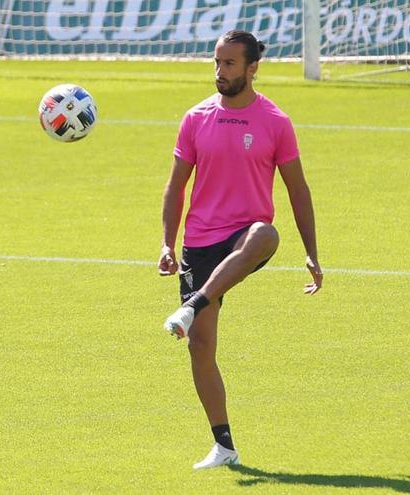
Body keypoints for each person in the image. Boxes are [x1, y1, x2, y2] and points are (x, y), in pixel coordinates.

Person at [157, 30, 322, 469]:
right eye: (217, 62)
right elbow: (177, 186)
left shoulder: (275, 122)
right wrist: (166, 244)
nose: (220, 72)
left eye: (229, 64)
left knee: (266, 234)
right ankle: (224, 445)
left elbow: (298, 190)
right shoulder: (195, 118)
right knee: (200, 348)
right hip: (201, 242)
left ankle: (192, 304)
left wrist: (312, 252)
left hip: (245, 236)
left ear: (252, 68)